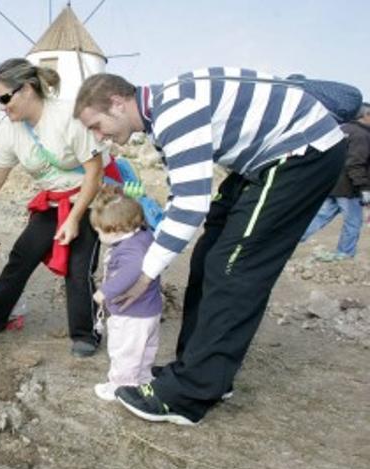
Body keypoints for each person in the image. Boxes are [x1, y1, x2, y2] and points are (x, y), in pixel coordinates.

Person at [74, 68, 347, 425]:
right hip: (266, 160)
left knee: (233, 266)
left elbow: (190, 205)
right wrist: (152, 256)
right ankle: (199, 371)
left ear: (117, 103)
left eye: (96, 125)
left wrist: (145, 273)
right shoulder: (162, 116)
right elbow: (180, 196)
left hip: (301, 152)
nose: (99, 137)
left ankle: (187, 396)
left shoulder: (175, 112)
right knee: (208, 254)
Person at [0, 58, 104, 358]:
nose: (2, 106)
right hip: (52, 201)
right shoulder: (11, 131)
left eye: (5, 98)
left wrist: (74, 218)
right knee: (21, 256)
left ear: (28, 89)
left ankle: (85, 333)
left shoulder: (68, 116)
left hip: (87, 199)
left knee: (79, 269)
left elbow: (95, 173)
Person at [89, 188, 162, 401]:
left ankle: (120, 388)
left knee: (125, 351)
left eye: (101, 231)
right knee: (145, 349)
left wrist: (105, 291)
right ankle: (143, 379)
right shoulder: (144, 235)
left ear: (117, 229)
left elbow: (133, 270)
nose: (99, 235)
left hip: (132, 313)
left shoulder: (130, 250)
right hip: (150, 311)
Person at [300, 102, 370, 261]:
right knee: (353, 222)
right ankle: (345, 254)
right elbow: (355, 163)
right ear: (366, 115)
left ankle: (289, 242)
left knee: (320, 217)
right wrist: (364, 189)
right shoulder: (361, 135)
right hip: (349, 188)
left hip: (332, 184)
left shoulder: (342, 129)